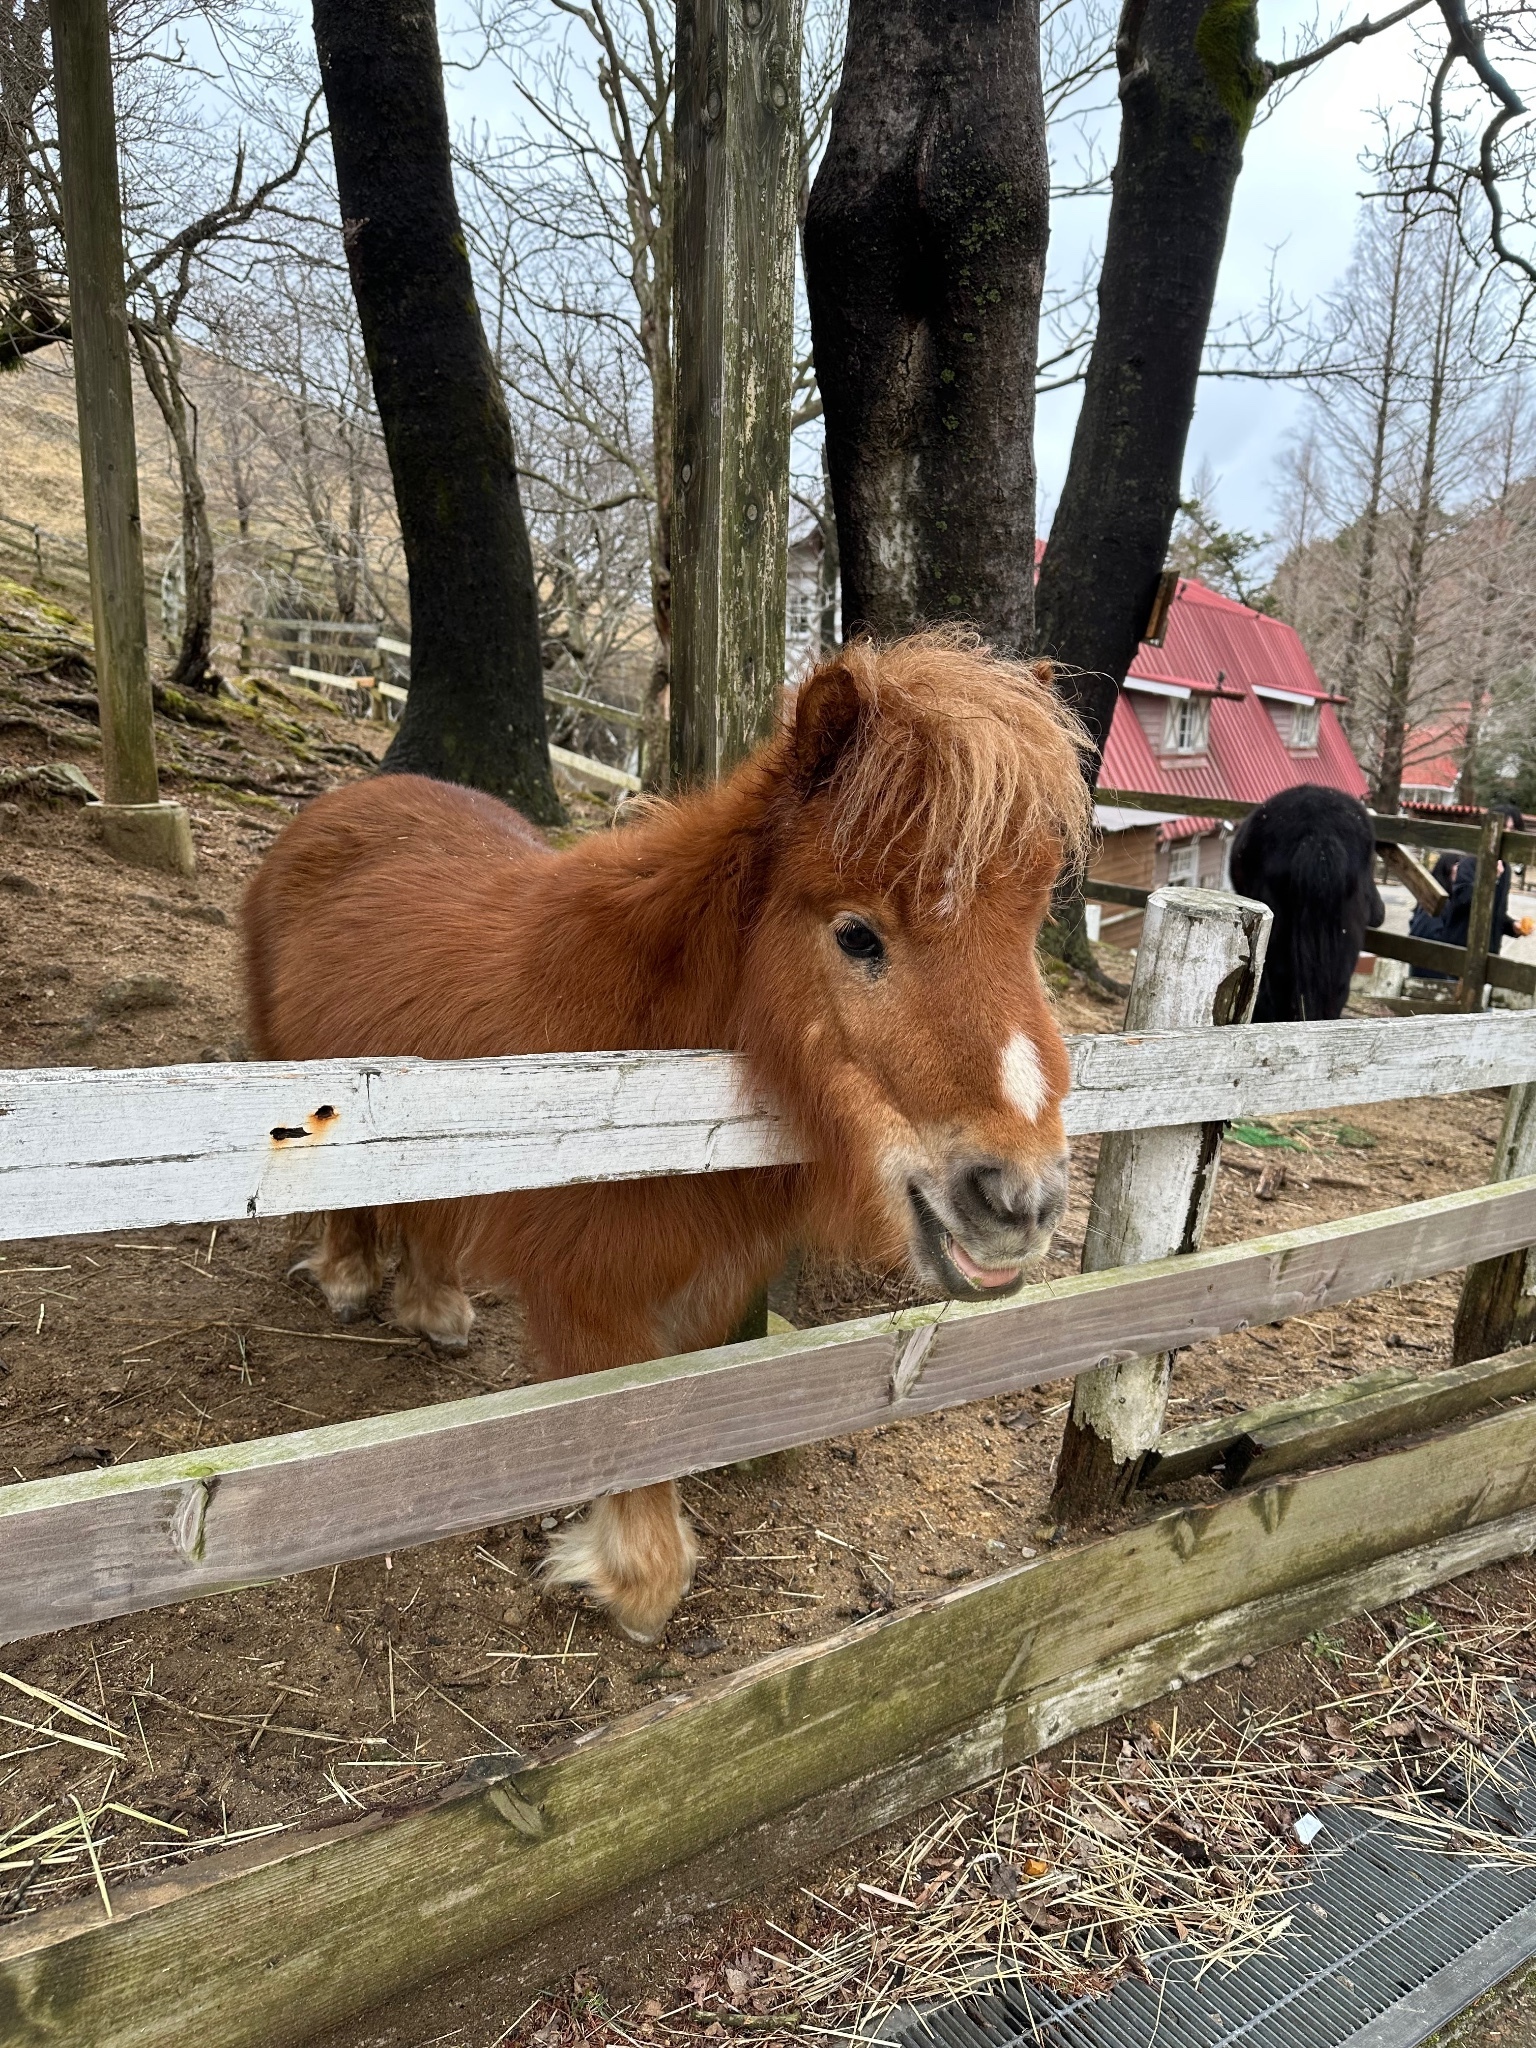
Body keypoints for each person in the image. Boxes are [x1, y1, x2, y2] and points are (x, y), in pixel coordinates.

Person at [1410, 804, 1534, 966]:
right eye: (1504, 828)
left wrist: (1512, 926)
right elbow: (1462, 902)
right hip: (1460, 949)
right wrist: (1490, 879)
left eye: (1513, 829)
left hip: (1488, 953)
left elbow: (1494, 913)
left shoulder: (1505, 869)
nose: (1508, 833)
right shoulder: (1470, 862)